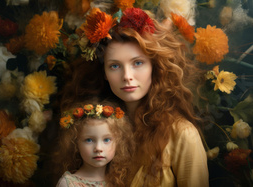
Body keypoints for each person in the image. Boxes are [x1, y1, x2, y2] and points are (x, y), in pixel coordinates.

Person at [59, 8, 209, 187]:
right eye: (115, 66)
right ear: (104, 73)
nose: (127, 76)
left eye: (138, 63)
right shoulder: (96, 128)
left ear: (155, 66)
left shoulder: (183, 135)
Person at [54, 98, 133, 187]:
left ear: (119, 143)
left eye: (106, 140)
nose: (98, 148)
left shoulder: (123, 180)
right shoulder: (68, 184)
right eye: (89, 140)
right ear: (75, 144)